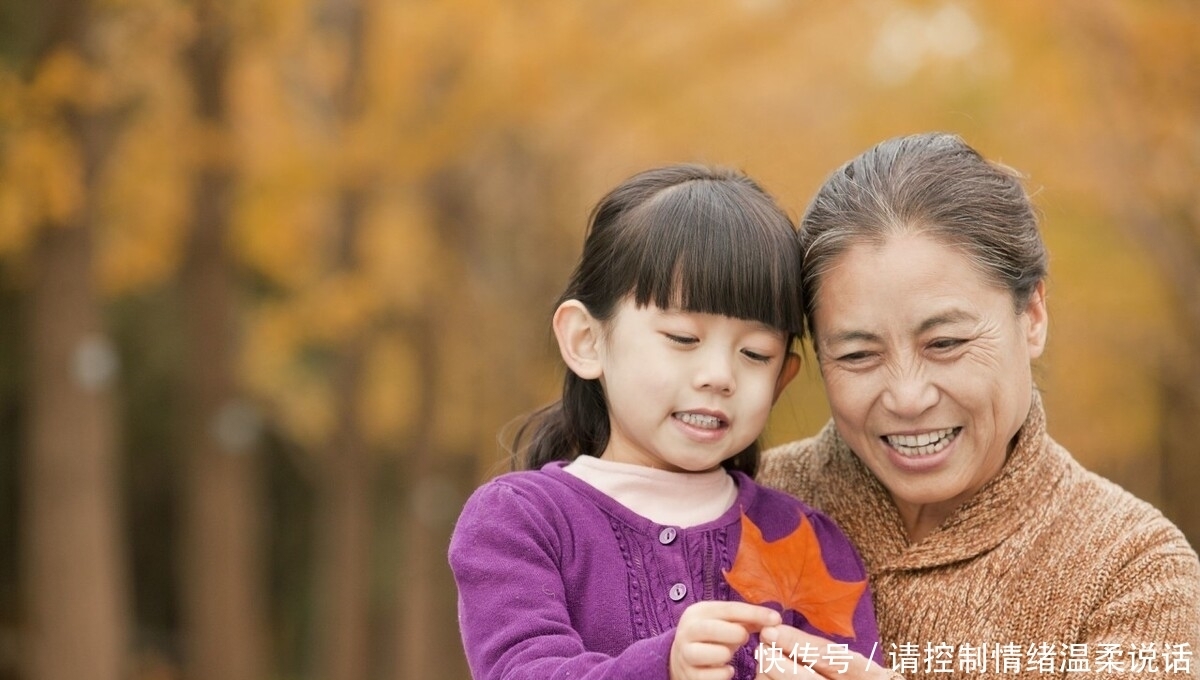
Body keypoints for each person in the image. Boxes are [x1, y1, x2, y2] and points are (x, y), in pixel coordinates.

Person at [755, 132, 1200, 679]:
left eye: (945, 344)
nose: (908, 397)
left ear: (1032, 315)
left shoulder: (1132, 568)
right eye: (857, 354)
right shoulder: (743, 502)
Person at [448, 164, 882, 680]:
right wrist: (664, 668)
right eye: (682, 339)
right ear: (587, 341)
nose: (719, 376)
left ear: (782, 378)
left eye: (754, 353)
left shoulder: (805, 540)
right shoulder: (522, 522)